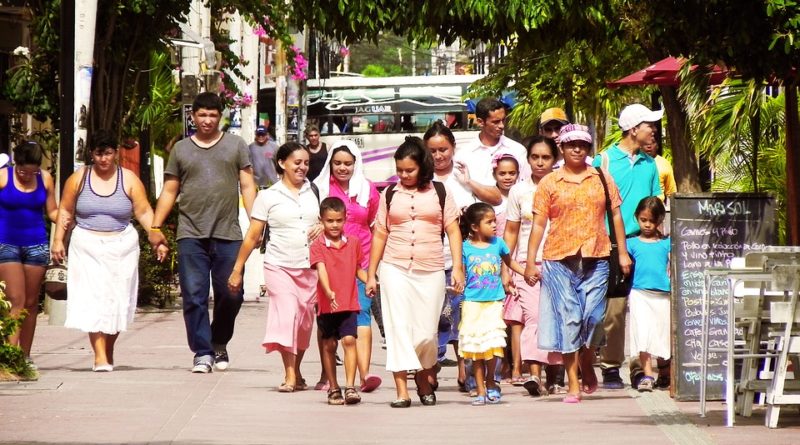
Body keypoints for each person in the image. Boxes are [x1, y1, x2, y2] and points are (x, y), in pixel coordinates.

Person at [149, 92, 257, 373]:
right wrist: (155, 226)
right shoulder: (181, 149)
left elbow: (247, 185)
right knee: (194, 295)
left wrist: (257, 222)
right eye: (202, 115)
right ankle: (203, 352)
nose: (207, 120)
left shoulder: (235, 146)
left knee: (232, 294)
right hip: (190, 234)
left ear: (220, 116)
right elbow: (170, 190)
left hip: (228, 233)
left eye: (212, 115)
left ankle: (219, 340)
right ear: (193, 117)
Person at [524, 124, 631, 403]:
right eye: (571, 144)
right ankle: (573, 383)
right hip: (559, 259)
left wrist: (622, 253)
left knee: (594, 318)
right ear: (561, 148)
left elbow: (616, 215)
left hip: (597, 256)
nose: (577, 149)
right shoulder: (550, 183)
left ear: (588, 149)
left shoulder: (601, 177)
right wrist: (530, 261)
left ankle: (586, 360)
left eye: (582, 145)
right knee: (569, 320)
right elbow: (538, 224)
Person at [52, 130, 167, 371]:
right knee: (93, 298)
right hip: (86, 244)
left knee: (117, 299)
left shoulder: (129, 179)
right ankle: (100, 355)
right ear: (91, 154)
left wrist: (156, 237)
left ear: (116, 153)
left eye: (108, 153)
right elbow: (65, 210)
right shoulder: (79, 179)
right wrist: (58, 241)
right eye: (98, 153)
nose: (104, 159)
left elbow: (144, 211)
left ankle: (108, 347)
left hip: (122, 245)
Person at [365, 136, 465, 408]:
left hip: (431, 268)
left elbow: (453, 229)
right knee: (398, 328)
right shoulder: (389, 194)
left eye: (409, 170)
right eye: (399, 170)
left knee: (426, 333)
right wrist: (371, 272)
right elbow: (380, 234)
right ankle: (401, 390)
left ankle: (423, 375)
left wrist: (457, 266)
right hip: (394, 267)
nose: (404, 175)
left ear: (423, 166)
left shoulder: (440, 192)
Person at [227, 142, 322, 392]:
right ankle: (289, 374)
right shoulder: (268, 196)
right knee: (287, 314)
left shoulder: (314, 191)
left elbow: (327, 220)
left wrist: (323, 226)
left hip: (310, 267)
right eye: (297, 162)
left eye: (306, 163)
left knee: (303, 322)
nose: (302, 167)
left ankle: (298, 371)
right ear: (282, 163)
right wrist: (237, 269)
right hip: (279, 265)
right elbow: (253, 235)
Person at [593, 103, 663, 389]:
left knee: (644, 307)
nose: (654, 130)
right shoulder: (604, 161)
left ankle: (639, 368)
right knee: (616, 310)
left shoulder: (650, 164)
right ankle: (610, 366)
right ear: (634, 129)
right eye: (649, 125)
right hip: (611, 245)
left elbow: (656, 202)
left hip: (644, 243)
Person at [313, 140, 382, 393]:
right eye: (338, 163)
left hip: (360, 261)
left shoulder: (368, 190)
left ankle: (364, 376)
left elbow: (376, 226)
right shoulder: (319, 188)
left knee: (361, 314)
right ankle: (327, 376)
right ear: (330, 163)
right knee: (328, 321)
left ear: (356, 164)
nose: (342, 168)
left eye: (348, 163)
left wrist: (373, 268)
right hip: (328, 265)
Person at [502, 136, 562, 395]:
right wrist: (507, 268)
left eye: (546, 157)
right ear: (528, 159)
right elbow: (511, 232)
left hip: (561, 262)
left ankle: (555, 376)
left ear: (554, 160)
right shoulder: (519, 190)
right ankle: (534, 374)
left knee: (559, 318)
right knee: (534, 317)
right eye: (535, 157)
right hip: (528, 265)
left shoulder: (563, 186)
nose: (540, 162)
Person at [459, 202, 526, 405]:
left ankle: (491, 383)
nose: (495, 225)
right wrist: (457, 286)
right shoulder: (464, 248)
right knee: (476, 348)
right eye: (489, 222)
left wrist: (527, 273)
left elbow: (510, 262)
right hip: (472, 303)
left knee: (493, 346)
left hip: (494, 302)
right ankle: (479, 388)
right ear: (474, 226)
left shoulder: (498, 244)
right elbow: (460, 273)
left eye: (494, 221)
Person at [423, 122, 473, 390]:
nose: (439, 155)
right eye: (433, 150)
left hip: (461, 257)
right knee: (434, 318)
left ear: (453, 148)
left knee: (462, 315)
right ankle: (430, 368)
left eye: (443, 149)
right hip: (429, 258)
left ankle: (464, 370)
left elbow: (491, 202)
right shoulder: (420, 179)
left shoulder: (463, 176)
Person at [0, 141, 58, 365]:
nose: (26, 175)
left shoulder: (45, 179)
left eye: (31, 171)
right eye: (22, 170)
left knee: (31, 303)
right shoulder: (4, 176)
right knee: (16, 298)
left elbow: (52, 210)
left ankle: (24, 355)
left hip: (36, 244)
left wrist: (66, 219)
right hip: (6, 243)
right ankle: (9, 355)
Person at [310, 197, 366, 405]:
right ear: (321, 220)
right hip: (327, 305)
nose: (334, 225)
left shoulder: (354, 243)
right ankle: (333, 387)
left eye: (338, 220)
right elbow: (321, 269)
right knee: (329, 345)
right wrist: (328, 291)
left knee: (350, 340)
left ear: (345, 219)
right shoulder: (317, 245)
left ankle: (350, 387)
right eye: (329, 221)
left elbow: (358, 268)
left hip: (349, 302)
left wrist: (371, 281)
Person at [627, 197, 671, 392]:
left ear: (660, 220)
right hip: (639, 294)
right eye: (643, 219)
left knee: (663, 334)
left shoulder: (667, 243)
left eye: (651, 220)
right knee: (642, 334)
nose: (647, 224)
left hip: (663, 295)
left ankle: (666, 373)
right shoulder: (631, 244)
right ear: (636, 217)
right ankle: (647, 375)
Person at [453, 98, 529, 207]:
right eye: (495, 122)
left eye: (503, 120)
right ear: (480, 122)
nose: (502, 126)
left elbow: (525, 186)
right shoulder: (464, 154)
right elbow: (462, 192)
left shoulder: (517, 150)